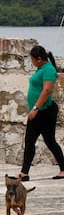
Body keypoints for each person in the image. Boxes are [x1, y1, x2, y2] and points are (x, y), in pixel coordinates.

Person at [18, 44, 64, 181]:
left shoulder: (48, 70)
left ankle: (63, 169)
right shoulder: (41, 68)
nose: (31, 62)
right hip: (37, 112)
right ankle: (24, 173)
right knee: (29, 140)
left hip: (45, 111)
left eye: (32, 59)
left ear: (38, 59)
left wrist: (35, 108)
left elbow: (47, 90)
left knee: (50, 141)